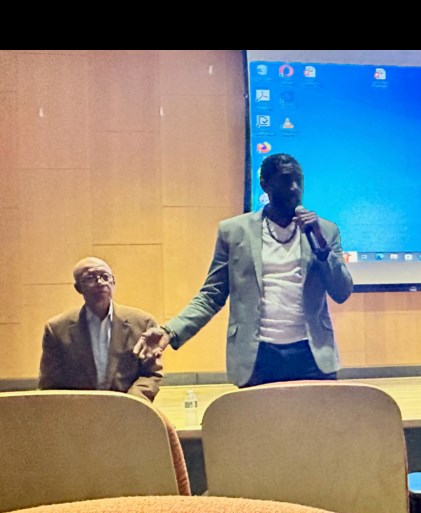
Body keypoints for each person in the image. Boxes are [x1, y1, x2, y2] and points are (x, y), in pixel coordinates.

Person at [134, 153, 353, 387]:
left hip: (312, 355)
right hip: (257, 357)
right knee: (258, 424)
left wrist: (322, 250)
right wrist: (171, 331)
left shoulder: (325, 231)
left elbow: (342, 292)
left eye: (299, 181)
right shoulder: (234, 231)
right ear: (265, 185)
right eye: (286, 180)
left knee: (315, 424)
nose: (295, 188)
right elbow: (211, 295)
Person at [39, 257, 163, 402]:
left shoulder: (142, 323)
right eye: (90, 278)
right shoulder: (57, 329)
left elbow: (151, 374)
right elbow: (50, 383)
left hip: (128, 412)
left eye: (105, 277)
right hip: (78, 414)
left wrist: (132, 402)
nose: (100, 282)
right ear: (78, 287)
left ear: (113, 282)